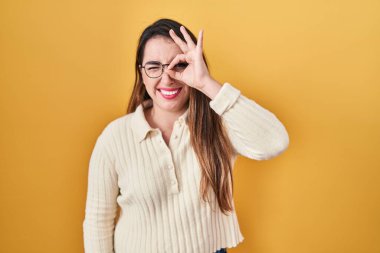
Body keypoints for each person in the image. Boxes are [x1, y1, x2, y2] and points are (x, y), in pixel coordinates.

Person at [83, 18, 289, 253]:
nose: (167, 77)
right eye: (153, 67)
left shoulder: (219, 124)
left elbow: (275, 141)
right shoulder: (115, 136)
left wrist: (206, 83)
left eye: (178, 65)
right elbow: (98, 222)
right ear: (141, 74)